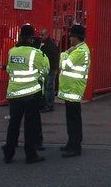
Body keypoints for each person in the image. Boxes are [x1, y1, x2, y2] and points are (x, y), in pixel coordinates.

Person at [1, 23, 49, 164]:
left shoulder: (12, 52)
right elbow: (45, 70)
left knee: (13, 124)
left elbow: (9, 69)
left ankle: (8, 153)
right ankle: (30, 154)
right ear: (31, 39)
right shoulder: (36, 53)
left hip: (14, 94)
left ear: (21, 37)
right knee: (30, 125)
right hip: (31, 95)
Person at [58, 23, 90, 157]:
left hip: (73, 88)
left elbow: (64, 65)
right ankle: (71, 143)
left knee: (73, 119)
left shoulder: (79, 51)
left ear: (76, 37)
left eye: (71, 36)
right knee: (72, 118)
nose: (70, 39)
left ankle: (75, 146)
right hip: (72, 88)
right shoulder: (81, 49)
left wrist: (64, 54)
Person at [39, 28, 59, 113]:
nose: (41, 36)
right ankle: (49, 104)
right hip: (51, 68)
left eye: (42, 35)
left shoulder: (47, 45)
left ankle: (48, 105)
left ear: (47, 35)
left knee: (48, 87)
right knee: (49, 87)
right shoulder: (50, 44)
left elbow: (47, 57)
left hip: (50, 69)